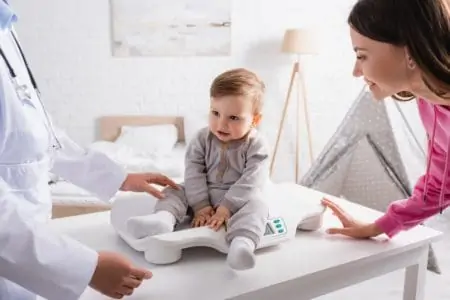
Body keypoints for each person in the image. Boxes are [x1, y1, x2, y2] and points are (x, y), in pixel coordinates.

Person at [0, 2, 179, 300]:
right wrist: (85, 267)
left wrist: (118, 177)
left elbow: (39, 137)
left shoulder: (7, 27)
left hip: (26, 265)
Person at [321, 0, 450, 239]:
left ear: (409, 51)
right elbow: (440, 184)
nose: (356, 71)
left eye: (362, 56)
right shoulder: (430, 105)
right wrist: (377, 227)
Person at [126, 68, 270, 271]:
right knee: (174, 189)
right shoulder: (202, 138)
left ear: (254, 120)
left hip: (237, 199)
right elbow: (193, 171)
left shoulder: (257, 145)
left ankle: (242, 244)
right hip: (201, 192)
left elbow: (251, 181)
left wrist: (226, 208)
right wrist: (200, 205)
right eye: (216, 113)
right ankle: (162, 220)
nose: (222, 124)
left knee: (258, 206)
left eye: (234, 118)